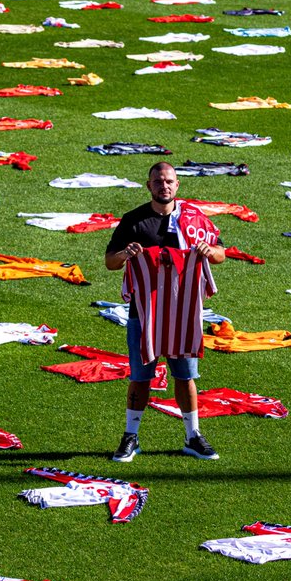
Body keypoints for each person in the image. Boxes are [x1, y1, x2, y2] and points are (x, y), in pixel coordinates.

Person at [104, 162, 226, 462]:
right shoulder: (134, 221)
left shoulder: (194, 219)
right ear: (149, 186)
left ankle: (193, 435)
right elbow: (110, 261)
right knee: (140, 376)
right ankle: (131, 436)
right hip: (143, 314)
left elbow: (221, 253)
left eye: (169, 181)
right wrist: (126, 254)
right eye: (158, 181)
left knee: (185, 377)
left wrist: (210, 252)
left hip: (182, 314)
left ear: (178, 185)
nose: (164, 186)